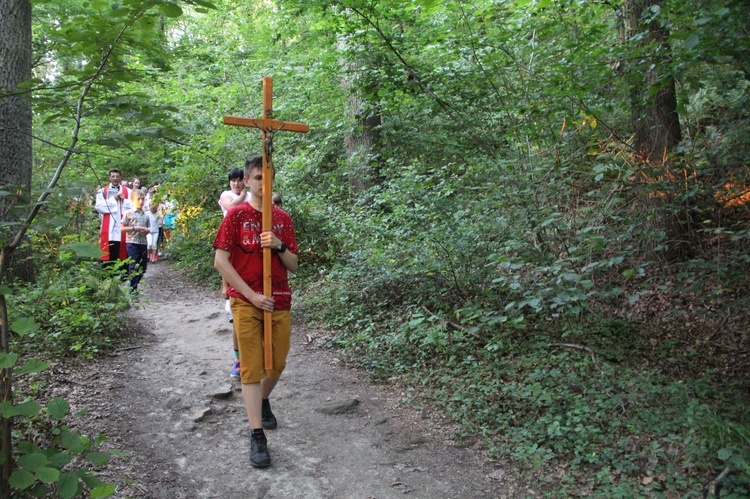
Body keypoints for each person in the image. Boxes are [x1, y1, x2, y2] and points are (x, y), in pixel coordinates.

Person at [213, 155, 298, 469]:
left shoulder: (283, 219)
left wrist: (279, 245)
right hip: (246, 300)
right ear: (247, 181)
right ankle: (256, 434)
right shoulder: (235, 216)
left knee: (276, 363)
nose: (264, 182)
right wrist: (250, 295)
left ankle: (263, 400)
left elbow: (294, 265)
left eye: (269, 177)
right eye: (258, 177)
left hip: (278, 299)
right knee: (250, 367)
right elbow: (221, 262)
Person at [219, 167, 251, 379]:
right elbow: (230, 208)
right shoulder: (228, 195)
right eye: (233, 181)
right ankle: (238, 359)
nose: (236, 184)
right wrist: (243, 195)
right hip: (230, 240)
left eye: (240, 181)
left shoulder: (251, 194)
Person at [94, 168, 132, 269]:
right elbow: (99, 207)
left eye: (117, 176)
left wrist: (124, 200)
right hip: (109, 227)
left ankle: (123, 276)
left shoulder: (128, 191)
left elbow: (133, 207)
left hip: (122, 226)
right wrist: (113, 199)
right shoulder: (102, 191)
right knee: (108, 250)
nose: (115, 178)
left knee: (123, 251)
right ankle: (107, 275)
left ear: (121, 178)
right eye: (113, 176)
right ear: (109, 178)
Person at [121, 189, 151, 293]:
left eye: (143, 199)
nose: (141, 201)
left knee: (143, 267)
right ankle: (133, 291)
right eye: (138, 199)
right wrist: (135, 228)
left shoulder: (146, 215)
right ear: (132, 200)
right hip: (132, 243)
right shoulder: (128, 213)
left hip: (143, 243)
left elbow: (148, 228)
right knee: (133, 266)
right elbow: (122, 228)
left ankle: (132, 283)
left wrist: (146, 231)